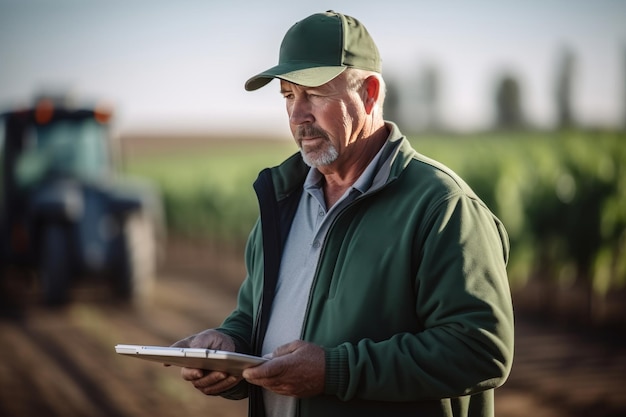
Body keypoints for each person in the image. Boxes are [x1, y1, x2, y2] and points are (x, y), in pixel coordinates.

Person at [172, 10, 514, 417]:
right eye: (287, 95)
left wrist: (335, 372)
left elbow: (479, 349)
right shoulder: (281, 204)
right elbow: (252, 318)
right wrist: (229, 347)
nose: (298, 115)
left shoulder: (441, 206)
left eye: (314, 94)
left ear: (369, 92)